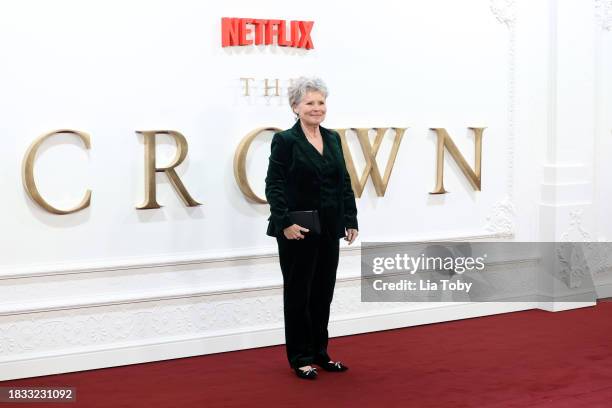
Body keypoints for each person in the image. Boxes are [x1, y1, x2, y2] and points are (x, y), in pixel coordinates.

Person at [265, 77, 359, 380]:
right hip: (298, 230)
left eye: (320, 102)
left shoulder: (332, 138)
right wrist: (285, 224)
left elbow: (343, 180)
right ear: (296, 107)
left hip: (330, 228)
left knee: (322, 293)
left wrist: (350, 220)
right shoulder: (285, 141)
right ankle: (300, 357)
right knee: (299, 295)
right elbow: (274, 185)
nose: (317, 108)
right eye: (310, 103)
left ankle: (320, 352)